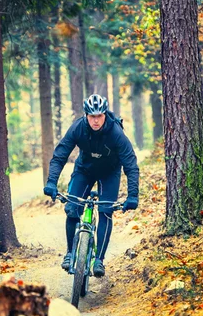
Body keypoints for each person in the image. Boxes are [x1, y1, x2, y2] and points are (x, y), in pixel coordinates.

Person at [43, 94, 139, 277]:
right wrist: (51, 182)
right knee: (72, 208)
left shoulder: (115, 133)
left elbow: (131, 164)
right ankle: (70, 253)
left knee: (105, 211)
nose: (96, 121)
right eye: (92, 116)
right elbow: (60, 155)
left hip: (109, 174)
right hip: (84, 170)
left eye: (100, 116)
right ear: (86, 115)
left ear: (105, 115)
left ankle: (99, 260)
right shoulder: (78, 128)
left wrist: (133, 195)